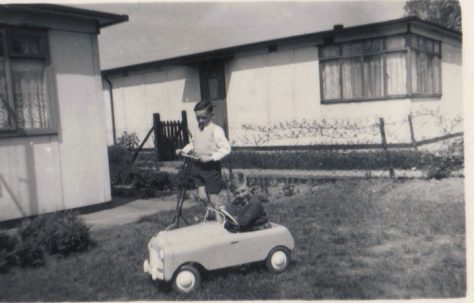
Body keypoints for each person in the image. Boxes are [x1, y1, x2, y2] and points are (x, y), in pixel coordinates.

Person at [176, 101, 231, 213]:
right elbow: (193, 144)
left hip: (211, 168)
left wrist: (211, 158)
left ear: (211, 115)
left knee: (214, 199)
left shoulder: (216, 130)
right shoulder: (197, 130)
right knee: (201, 196)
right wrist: (183, 150)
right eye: (198, 118)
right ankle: (211, 214)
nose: (200, 120)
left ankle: (222, 218)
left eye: (203, 118)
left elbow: (226, 148)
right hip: (198, 167)